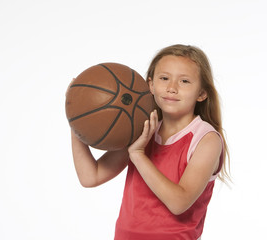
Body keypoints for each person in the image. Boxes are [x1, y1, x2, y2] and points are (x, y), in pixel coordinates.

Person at [70, 44, 230, 240]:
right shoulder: (140, 129)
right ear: (151, 85)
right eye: (164, 78)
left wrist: (138, 155)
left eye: (185, 81)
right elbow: (90, 176)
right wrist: (77, 117)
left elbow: (179, 203)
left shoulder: (206, 139)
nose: (172, 88)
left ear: (201, 93)